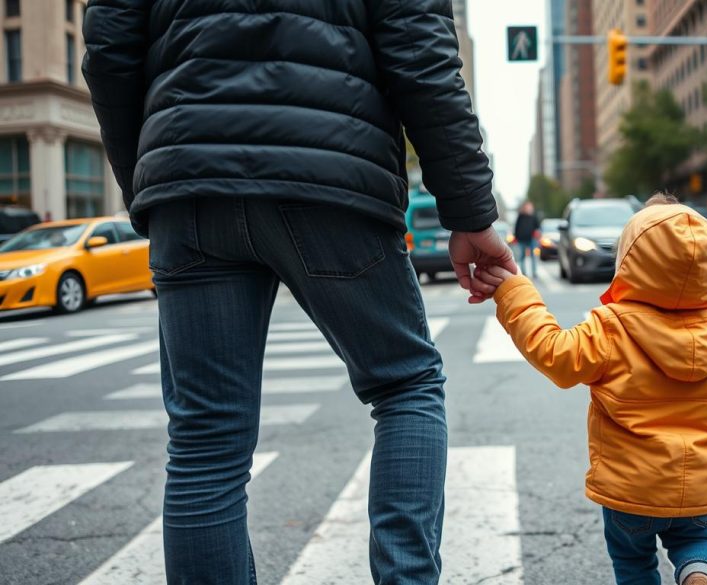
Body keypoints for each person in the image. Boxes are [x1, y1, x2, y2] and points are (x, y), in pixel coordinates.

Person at [82, 2, 515, 584]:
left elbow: (109, 46)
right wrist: (470, 211)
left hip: (189, 180)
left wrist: (152, 178)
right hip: (330, 171)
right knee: (405, 382)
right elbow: (420, 53)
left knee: (205, 444)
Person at [475, 195, 707, 585]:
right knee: (696, 540)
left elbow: (555, 355)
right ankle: (698, 572)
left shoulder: (611, 327)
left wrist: (515, 292)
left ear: (631, 262)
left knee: (634, 565)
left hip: (630, 491)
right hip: (698, 491)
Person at [513, 201, 540, 277]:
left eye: (530, 207)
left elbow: (538, 228)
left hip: (532, 239)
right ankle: (523, 272)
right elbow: (516, 227)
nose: (528, 208)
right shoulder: (520, 216)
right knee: (522, 256)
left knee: (533, 256)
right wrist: (516, 237)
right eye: (527, 207)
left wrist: (537, 236)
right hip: (521, 239)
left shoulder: (534, 217)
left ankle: (534, 272)